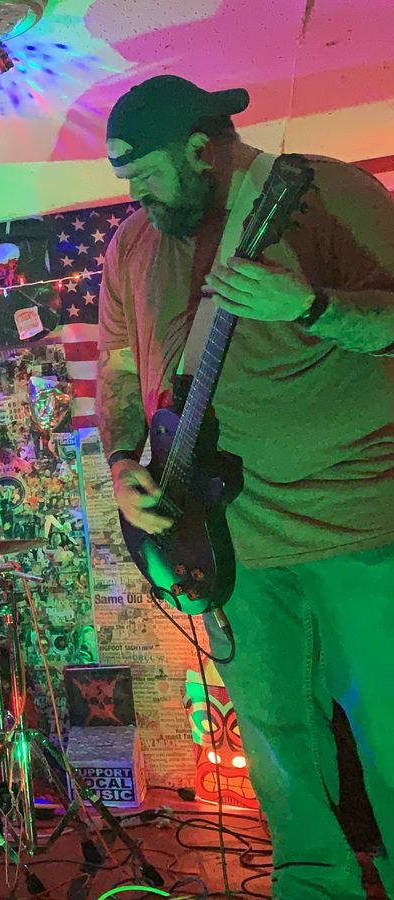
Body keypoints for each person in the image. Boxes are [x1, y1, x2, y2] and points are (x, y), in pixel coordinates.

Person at [96, 75, 394, 898]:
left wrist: (312, 307)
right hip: (227, 547)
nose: (134, 195)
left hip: (358, 524)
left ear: (200, 150)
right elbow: (116, 369)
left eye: (144, 174)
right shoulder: (130, 246)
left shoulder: (328, 191)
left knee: (390, 733)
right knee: (275, 744)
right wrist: (120, 462)